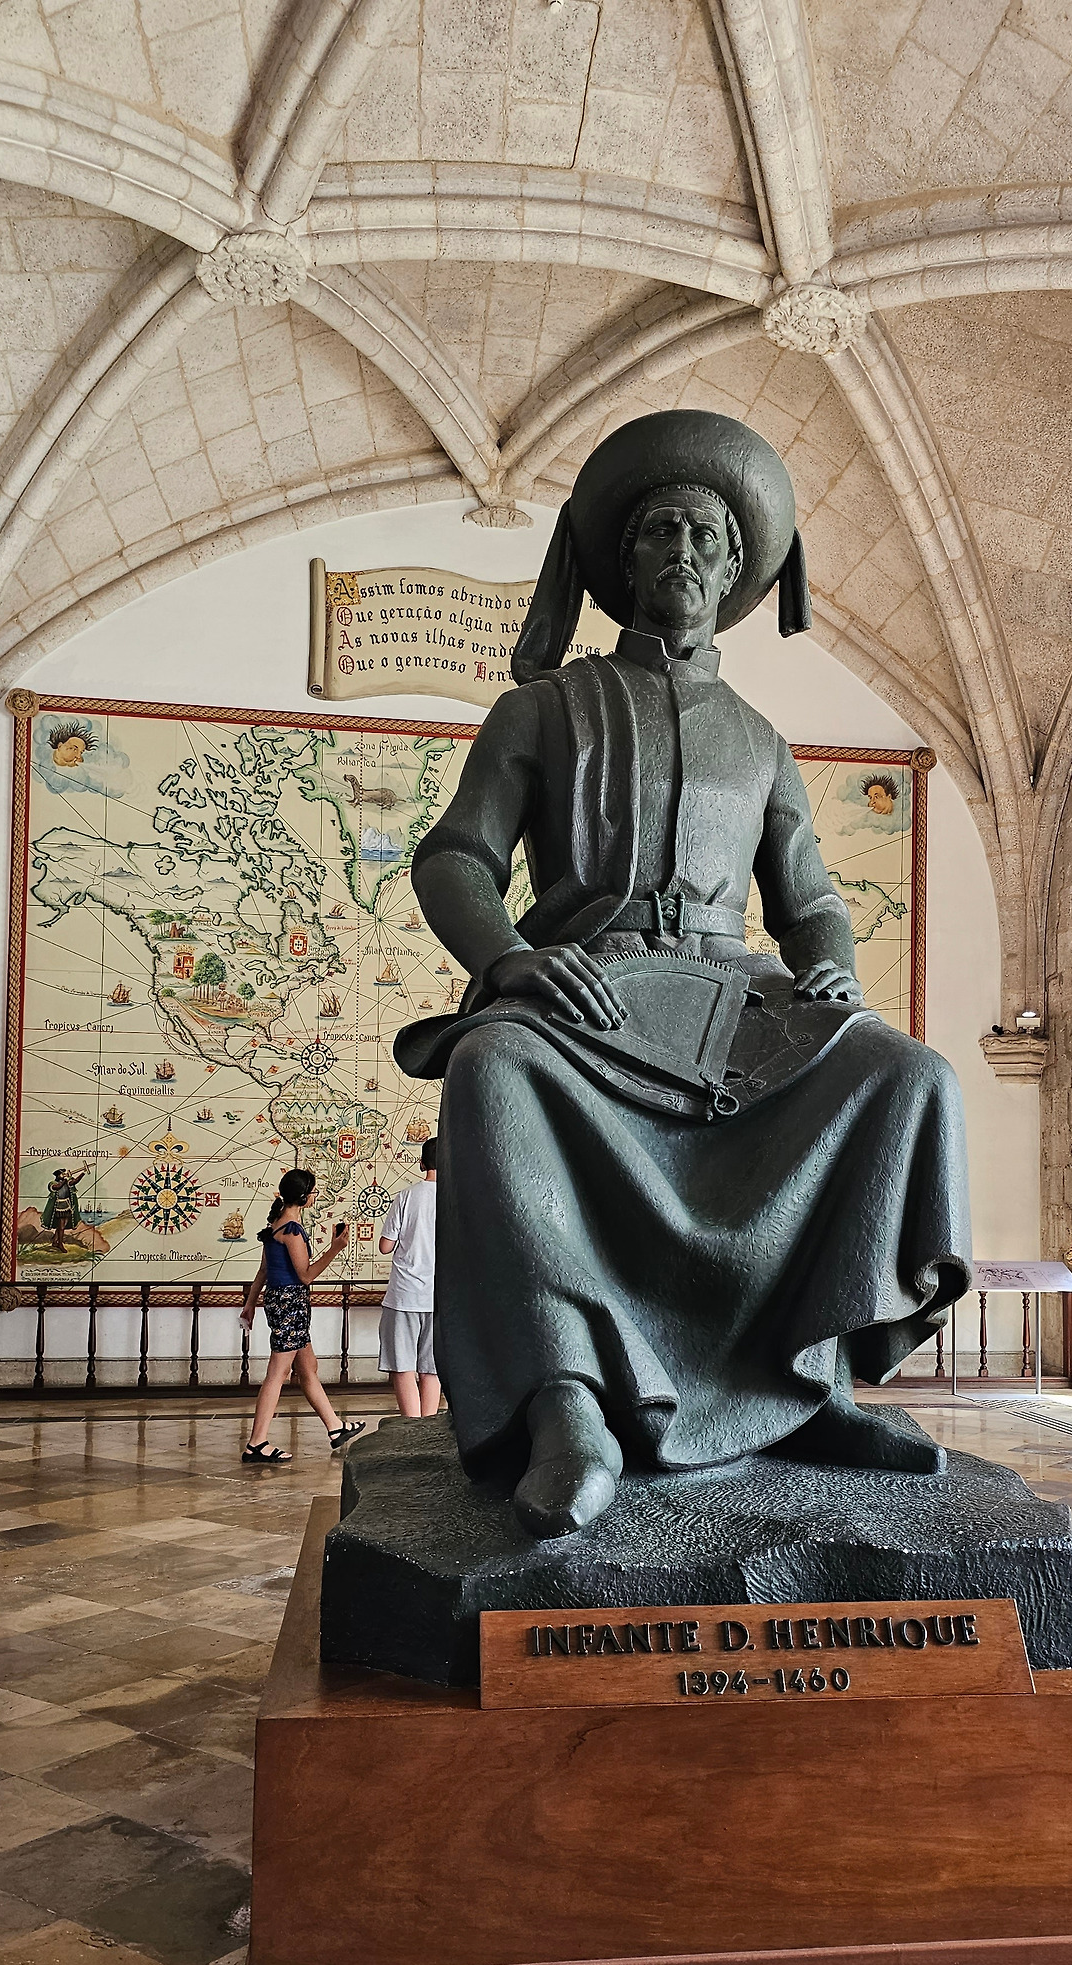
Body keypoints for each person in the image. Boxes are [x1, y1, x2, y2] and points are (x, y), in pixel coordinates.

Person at [396, 408, 970, 1537]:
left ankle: (812, 1387)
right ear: (622, 562)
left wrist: (829, 971)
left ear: (736, 570)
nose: (685, 553)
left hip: (736, 996)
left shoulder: (759, 739)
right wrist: (513, 961)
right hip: (590, 986)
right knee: (493, 1069)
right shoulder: (541, 709)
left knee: (908, 1075)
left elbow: (809, 902)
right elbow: (455, 858)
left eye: (709, 537)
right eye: (662, 530)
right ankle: (566, 1408)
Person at [238, 1168, 366, 1465]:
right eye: (314, 1192)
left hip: (280, 1301)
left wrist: (251, 1303)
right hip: (290, 1304)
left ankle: (335, 1427)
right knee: (278, 1373)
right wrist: (335, 1249)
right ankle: (256, 1443)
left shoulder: (275, 1224)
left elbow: (264, 1270)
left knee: (308, 1367)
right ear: (304, 1197)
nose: (315, 1196)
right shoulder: (292, 1230)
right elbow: (306, 1275)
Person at [378, 1138, 440, 1417]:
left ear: (421, 1163)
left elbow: (385, 1246)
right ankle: (427, 1427)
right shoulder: (457, 1199)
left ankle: (411, 1427)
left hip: (404, 1293)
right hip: (438, 1296)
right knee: (431, 1369)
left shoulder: (406, 1196)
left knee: (403, 1366)